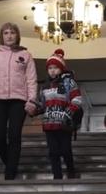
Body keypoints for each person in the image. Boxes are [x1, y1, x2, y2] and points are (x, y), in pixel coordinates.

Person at [0, 21, 38, 180]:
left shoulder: (26, 55)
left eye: (12, 32)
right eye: (6, 33)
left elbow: (31, 80)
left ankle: (10, 173)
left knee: (14, 135)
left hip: (19, 100)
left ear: (17, 36)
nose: (9, 35)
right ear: (1, 36)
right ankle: (10, 164)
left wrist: (32, 100)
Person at [34, 48, 83, 179]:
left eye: (55, 67)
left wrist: (68, 113)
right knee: (53, 152)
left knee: (66, 151)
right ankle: (57, 177)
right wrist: (33, 110)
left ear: (61, 68)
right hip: (49, 125)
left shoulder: (69, 82)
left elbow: (77, 99)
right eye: (50, 68)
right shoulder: (44, 86)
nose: (52, 70)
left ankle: (71, 172)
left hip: (65, 124)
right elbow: (42, 104)